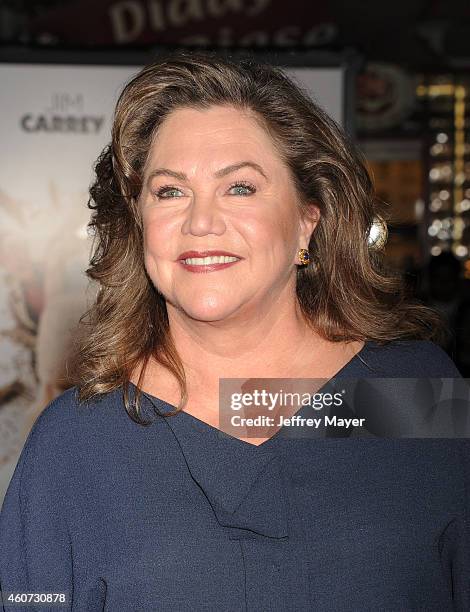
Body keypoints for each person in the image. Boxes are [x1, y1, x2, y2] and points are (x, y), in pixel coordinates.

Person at [0, 50, 467, 612]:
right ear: (141, 223)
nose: (200, 222)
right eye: (170, 191)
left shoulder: (410, 396)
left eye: (240, 187)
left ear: (306, 220)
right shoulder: (78, 443)